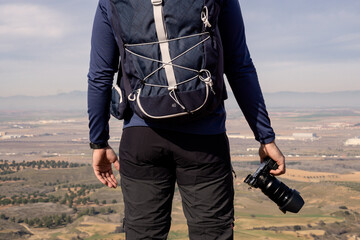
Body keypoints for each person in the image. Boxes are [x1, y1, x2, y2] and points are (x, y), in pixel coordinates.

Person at [87, 0, 286, 239]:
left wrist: (98, 142)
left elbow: (100, 76)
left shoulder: (110, 2)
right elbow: (240, 65)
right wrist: (265, 137)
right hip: (205, 140)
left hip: (141, 137)